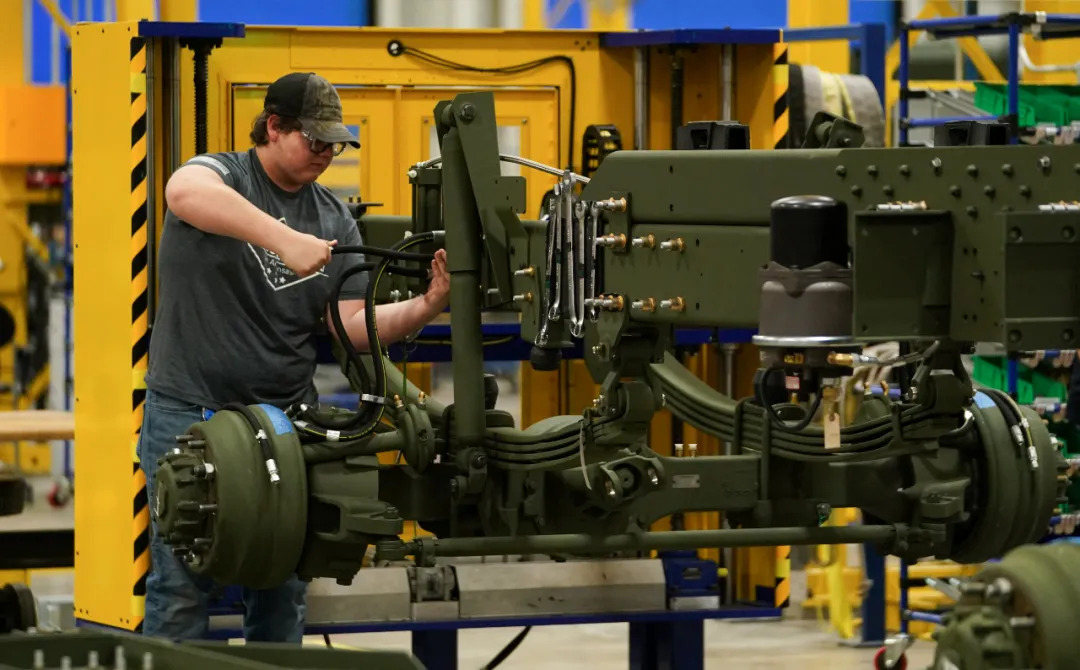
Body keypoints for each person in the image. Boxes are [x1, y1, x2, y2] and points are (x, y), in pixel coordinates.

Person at [138, 71, 450, 642]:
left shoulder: (332, 215)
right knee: (181, 589)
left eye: (336, 144)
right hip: (189, 415)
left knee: (280, 588)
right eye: (315, 140)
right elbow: (182, 193)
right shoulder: (223, 174)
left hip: (284, 426)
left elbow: (351, 327)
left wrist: (428, 304)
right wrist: (282, 238)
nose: (327, 154)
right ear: (273, 127)